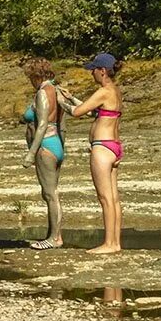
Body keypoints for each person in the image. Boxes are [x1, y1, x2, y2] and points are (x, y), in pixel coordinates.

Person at [59, 52, 123, 255]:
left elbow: (77, 113)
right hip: (113, 146)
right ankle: (115, 242)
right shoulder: (114, 91)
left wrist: (58, 99)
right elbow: (92, 111)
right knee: (113, 199)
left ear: (102, 71)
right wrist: (72, 98)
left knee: (105, 199)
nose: (91, 73)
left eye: (93, 70)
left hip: (102, 148)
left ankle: (109, 244)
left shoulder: (103, 91)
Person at [21, 58, 65, 250]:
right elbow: (62, 123)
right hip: (55, 143)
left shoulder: (43, 93)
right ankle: (54, 234)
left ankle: (54, 238)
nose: (30, 81)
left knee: (50, 193)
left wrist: (31, 154)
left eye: (31, 77)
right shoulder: (56, 90)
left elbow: (42, 125)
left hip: (45, 145)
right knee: (50, 193)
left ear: (37, 75)